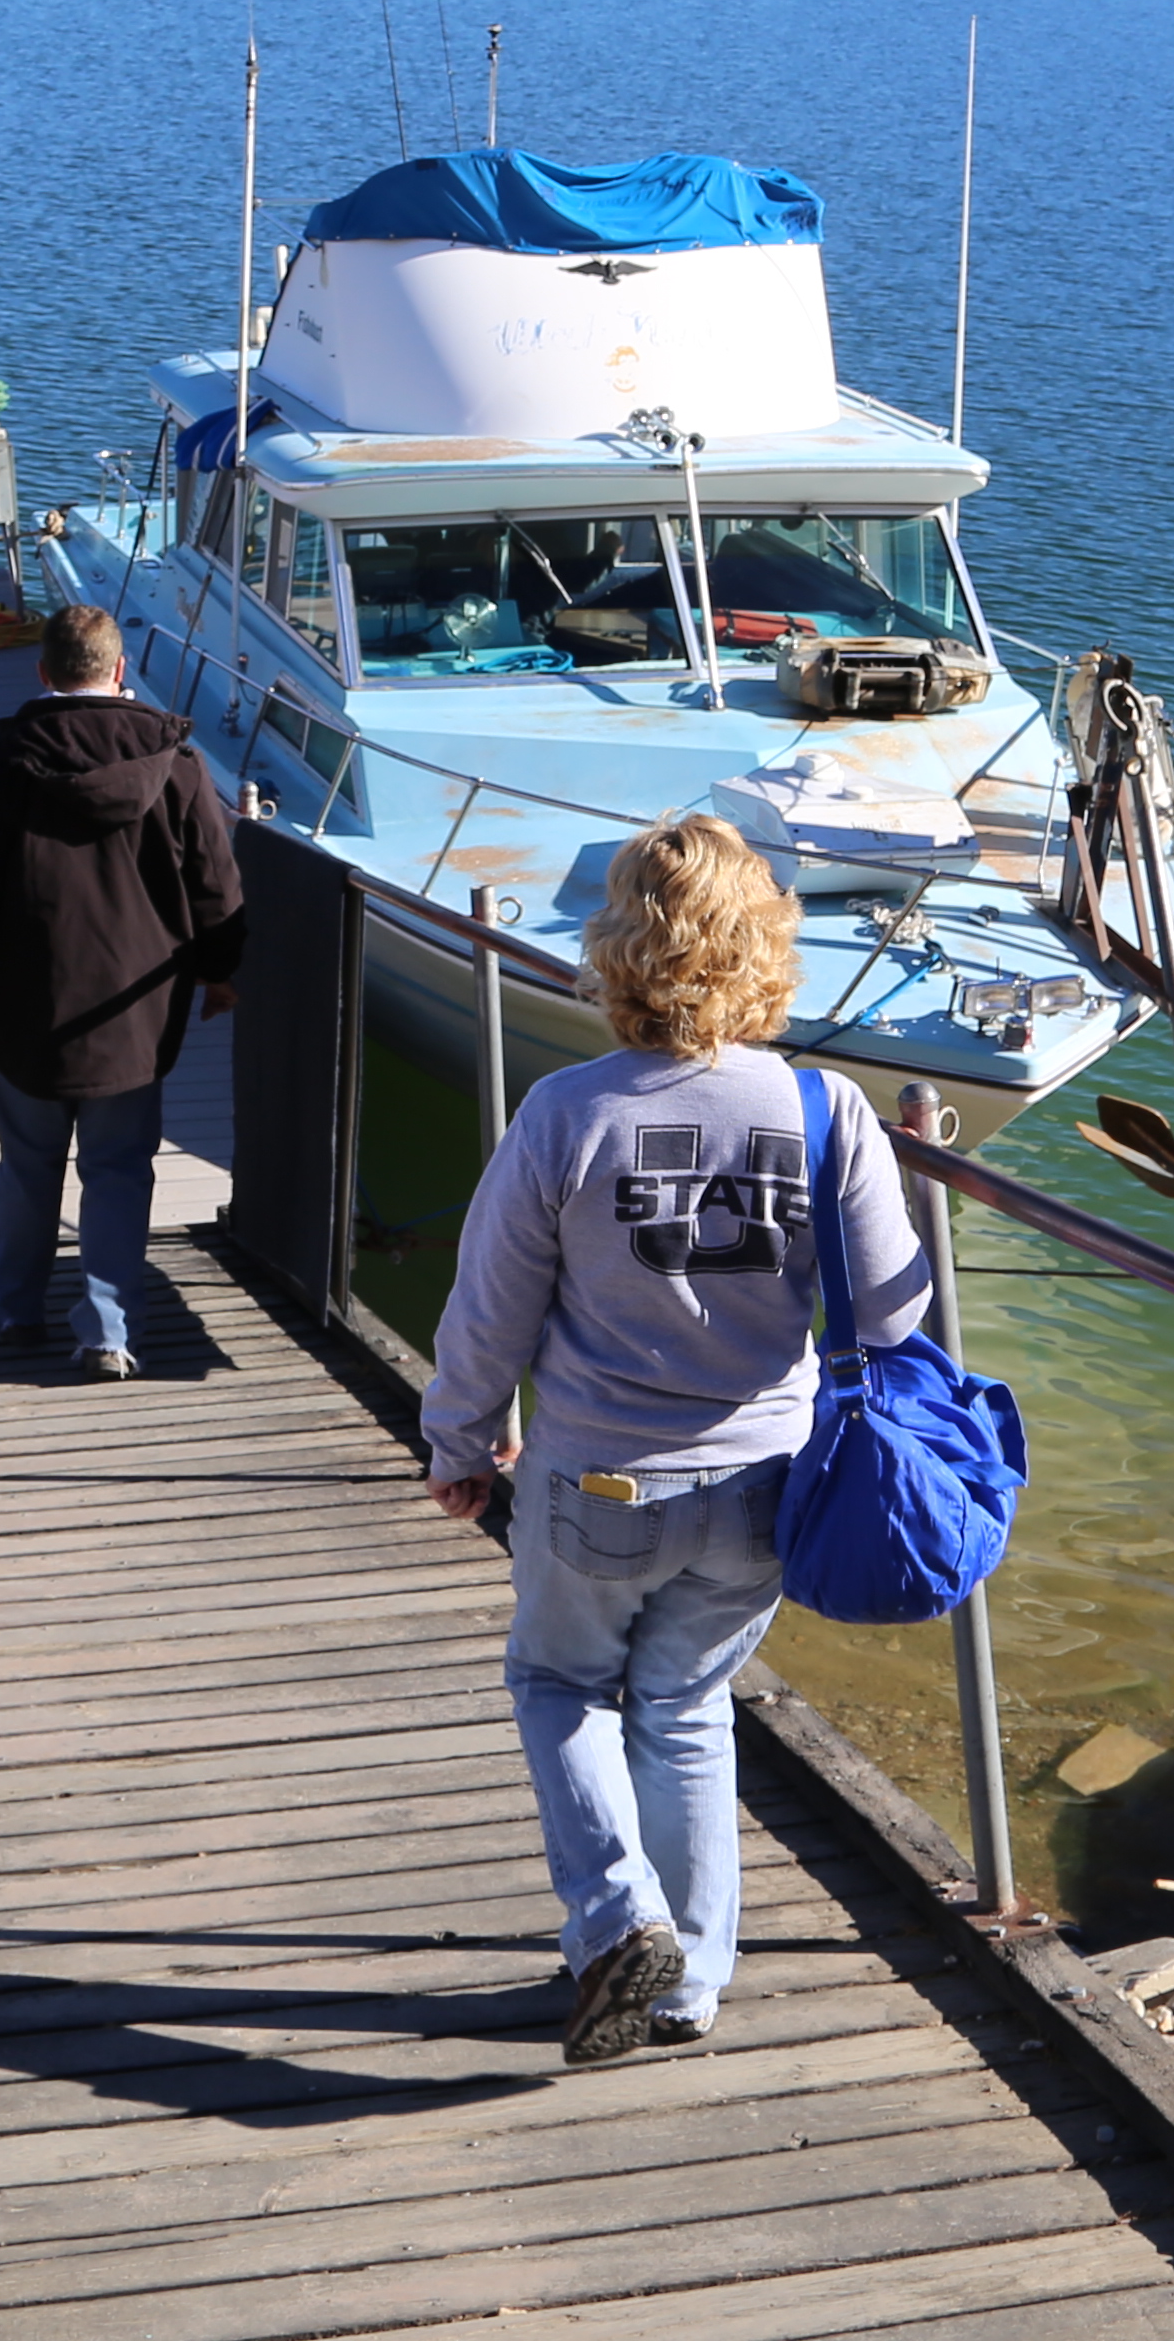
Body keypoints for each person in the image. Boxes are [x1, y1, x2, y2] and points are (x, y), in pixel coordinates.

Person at [421, 811, 928, 2067]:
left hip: (593, 1476)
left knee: (558, 1682)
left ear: (618, 950)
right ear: (763, 945)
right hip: (765, 1481)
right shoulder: (827, 1111)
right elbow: (900, 1311)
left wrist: (459, 1439)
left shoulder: (562, 1113)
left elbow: (491, 1309)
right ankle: (691, 1983)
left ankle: (617, 1915)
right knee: (691, 1708)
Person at [0, 601, 245, 1381]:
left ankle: (14, 1304)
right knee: (119, 1169)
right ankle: (108, 1333)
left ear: (42, 672)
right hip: (134, 1012)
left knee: (28, 1163)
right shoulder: (176, 767)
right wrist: (220, 972)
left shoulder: (0, 769)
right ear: (119, 672)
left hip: (21, 1009)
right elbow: (215, 888)